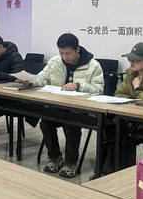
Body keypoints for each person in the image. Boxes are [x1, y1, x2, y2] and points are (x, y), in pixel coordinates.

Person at [22, 33, 103, 178]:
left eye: (68, 53)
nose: (65, 57)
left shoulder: (93, 66)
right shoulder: (55, 62)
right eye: (61, 53)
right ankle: (55, 157)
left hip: (80, 110)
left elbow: (98, 90)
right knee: (45, 122)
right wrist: (31, 81)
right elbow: (42, 78)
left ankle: (71, 162)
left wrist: (78, 85)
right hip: (57, 106)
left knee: (70, 124)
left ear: (77, 49)